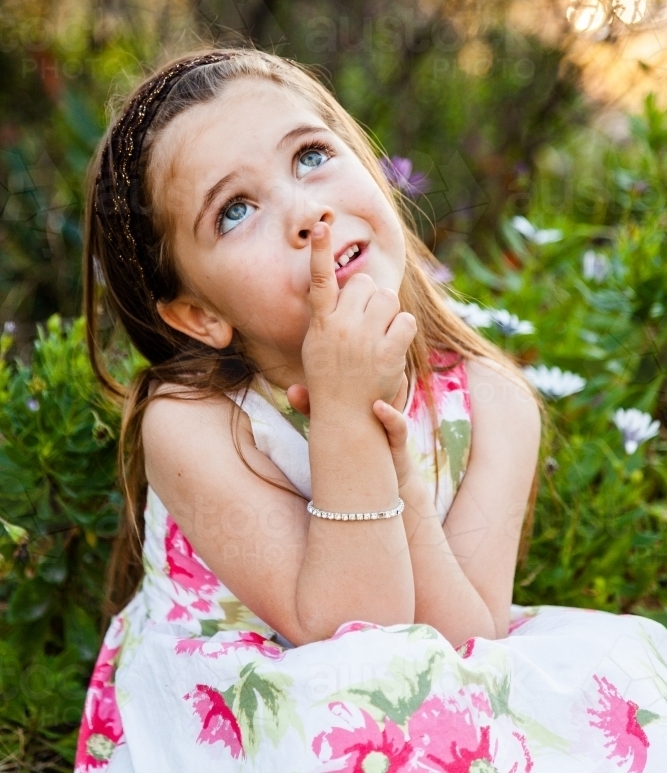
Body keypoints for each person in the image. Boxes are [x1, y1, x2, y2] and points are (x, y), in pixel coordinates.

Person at [75, 47, 667, 773]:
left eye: (312, 155)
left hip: (427, 679)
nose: (305, 210)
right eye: (235, 210)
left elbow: (469, 640)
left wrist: (405, 485)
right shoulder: (196, 422)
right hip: (244, 708)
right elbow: (345, 636)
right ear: (197, 314)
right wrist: (345, 413)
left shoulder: (492, 401)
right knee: (370, 724)